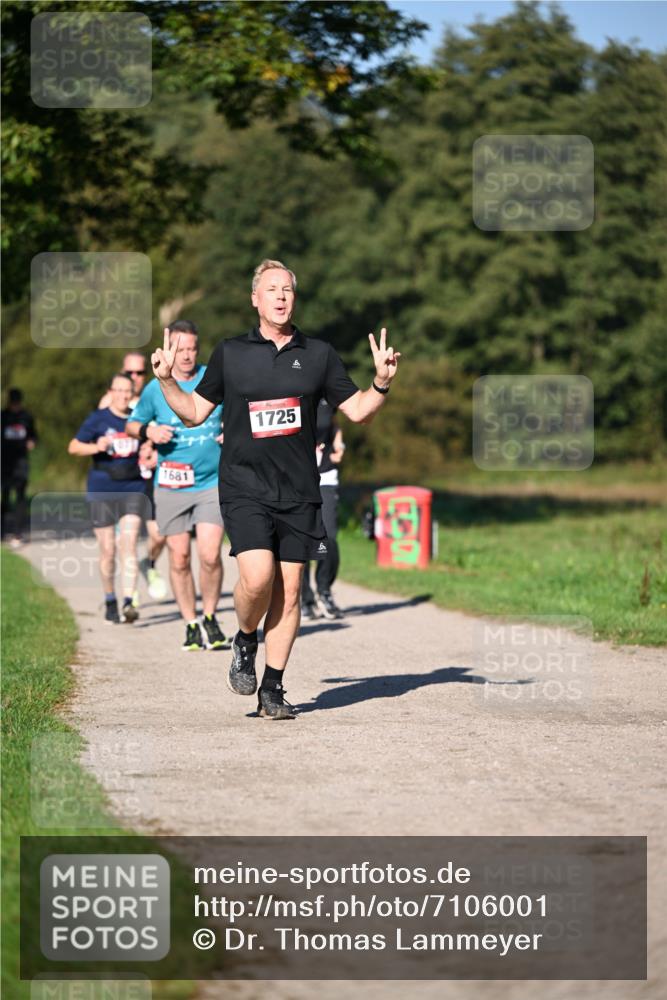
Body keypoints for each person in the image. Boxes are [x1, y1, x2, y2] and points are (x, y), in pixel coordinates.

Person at [150, 259, 400, 719]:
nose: (281, 296)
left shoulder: (319, 354)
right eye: (272, 289)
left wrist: (380, 381)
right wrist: (166, 378)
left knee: (289, 588)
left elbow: (359, 410)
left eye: (287, 289)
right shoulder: (231, 353)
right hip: (244, 484)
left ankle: (272, 688)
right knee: (258, 577)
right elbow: (192, 412)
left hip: (300, 488)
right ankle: (245, 638)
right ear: (255, 299)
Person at [127, 320, 230, 652]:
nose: (186, 356)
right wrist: (148, 433)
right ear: (167, 348)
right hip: (171, 484)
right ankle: (190, 623)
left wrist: (231, 431)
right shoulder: (155, 388)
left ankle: (211, 617)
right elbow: (132, 424)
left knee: (211, 555)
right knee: (180, 557)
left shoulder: (211, 378)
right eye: (180, 349)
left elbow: (237, 412)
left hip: (212, 481)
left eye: (192, 349)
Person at [68, 373, 146, 624]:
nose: (123, 395)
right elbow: (74, 446)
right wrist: (97, 446)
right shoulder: (98, 419)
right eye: (119, 390)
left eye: (128, 391)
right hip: (102, 488)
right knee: (108, 549)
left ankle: (129, 601)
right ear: (110, 392)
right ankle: (110, 598)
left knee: (130, 542)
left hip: (133, 486)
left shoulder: (139, 418)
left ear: (132, 394)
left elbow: (150, 444)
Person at [99, 352, 168, 602]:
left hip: (150, 476)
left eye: (140, 373)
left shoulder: (152, 396)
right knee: (124, 542)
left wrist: (154, 450)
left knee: (160, 534)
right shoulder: (110, 400)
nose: (135, 377)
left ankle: (147, 563)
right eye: (130, 373)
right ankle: (130, 595)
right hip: (123, 480)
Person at [301, 400, 345, 620]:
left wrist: (339, 445)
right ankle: (304, 599)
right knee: (301, 539)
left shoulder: (327, 396)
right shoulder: (291, 386)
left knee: (329, 537)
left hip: (326, 475)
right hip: (296, 478)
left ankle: (324, 591)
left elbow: (333, 422)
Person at [1, 387, 37, 546]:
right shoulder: (3, 417)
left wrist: (32, 442)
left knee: (20, 497)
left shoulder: (26, 417)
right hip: (5, 462)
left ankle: (17, 532)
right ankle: (2, 531)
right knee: (5, 496)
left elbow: (34, 436)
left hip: (21, 462)